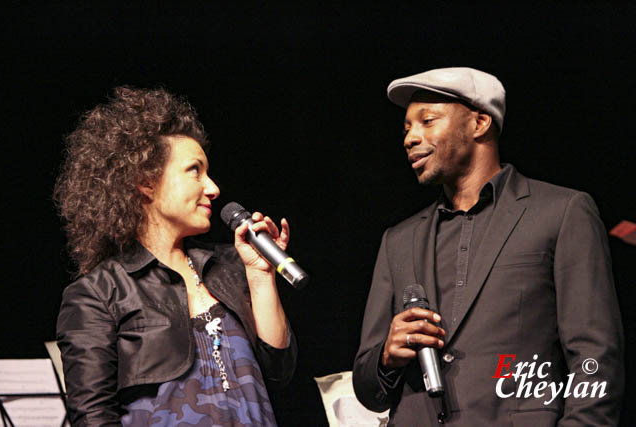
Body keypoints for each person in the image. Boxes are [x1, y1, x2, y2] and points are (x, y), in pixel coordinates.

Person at [352, 67, 624, 426]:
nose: (410, 138)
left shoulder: (561, 212)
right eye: (406, 129)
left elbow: (595, 356)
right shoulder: (398, 240)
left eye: (427, 121)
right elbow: (368, 390)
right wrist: (387, 358)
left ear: (479, 123)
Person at [54, 86, 297, 426]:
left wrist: (260, 276)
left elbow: (278, 373)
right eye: (194, 170)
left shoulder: (230, 266)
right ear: (146, 182)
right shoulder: (98, 294)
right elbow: (93, 416)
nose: (212, 188)